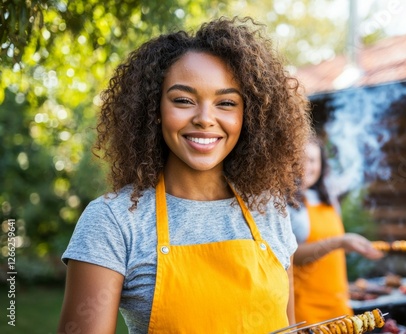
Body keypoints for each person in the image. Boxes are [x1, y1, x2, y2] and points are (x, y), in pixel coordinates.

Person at [57, 17, 312, 334]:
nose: (205, 119)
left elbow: (289, 328)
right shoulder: (113, 221)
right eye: (183, 100)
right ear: (153, 109)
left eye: (226, 102)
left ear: (251, 115)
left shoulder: (270, 210)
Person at [289, 136, 383, 325]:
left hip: (338, 304)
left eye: (312, 160)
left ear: (322, 164)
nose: (306, 166)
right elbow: (293, 257)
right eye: (299, 159)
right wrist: (340, 242)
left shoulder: (329, 200)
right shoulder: (286, 204)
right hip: (305, 308)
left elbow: (333, 249)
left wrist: (353, 245)